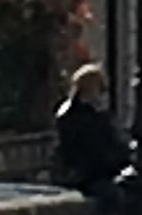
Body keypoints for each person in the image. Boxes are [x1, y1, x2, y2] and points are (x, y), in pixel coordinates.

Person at [49, 63, 125, 204]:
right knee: (119, 195)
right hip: (86, 176)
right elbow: (84, 149)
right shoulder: (74, 116)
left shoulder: (94, 112)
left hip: (99, 171)